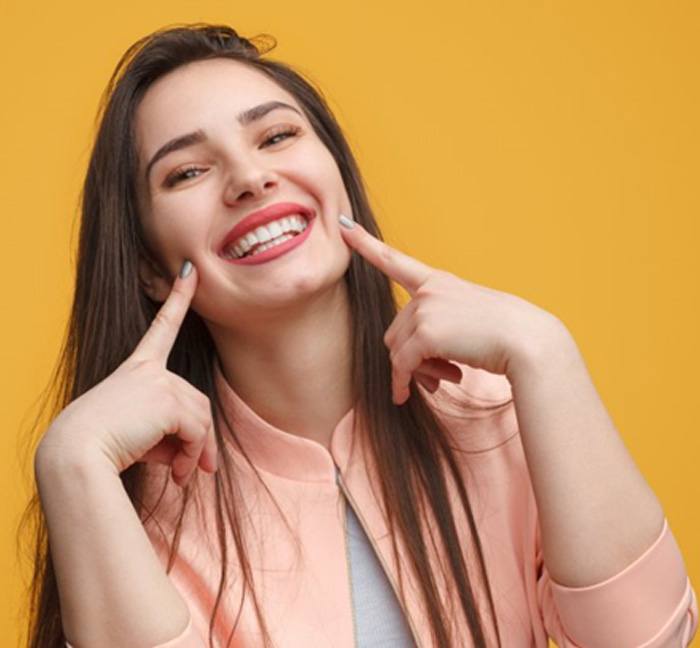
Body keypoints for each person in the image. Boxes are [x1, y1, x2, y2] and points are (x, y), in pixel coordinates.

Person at [22, 22, 697, 648]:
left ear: (337, 178)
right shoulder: (137, 507)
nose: (251, 179)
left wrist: (548, 352)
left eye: (277, 137)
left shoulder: (500, 410)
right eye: (188, 172)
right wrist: (71, 465)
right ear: (149, 267)